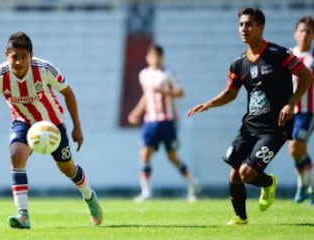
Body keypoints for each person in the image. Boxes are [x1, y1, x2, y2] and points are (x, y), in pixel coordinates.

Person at [187, 8, 312, 225]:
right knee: (234, 174)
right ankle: (240, 218)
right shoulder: (239, 63)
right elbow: (230, 93)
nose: (244, 29)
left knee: (246, 172)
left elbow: (306, 74)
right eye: (241, 24)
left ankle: (268, 183)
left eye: (249, 24)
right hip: (250, 126)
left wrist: (291, 104)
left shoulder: (278, 54)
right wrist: (209, 104)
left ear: (261, 27)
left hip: (275, 127)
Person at [0, 32, 103, 229]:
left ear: (31, 56)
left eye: (24, 57)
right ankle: (23, 214)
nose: (19, 62)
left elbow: (68, 93)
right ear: (7, 55)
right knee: (16, 154)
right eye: (15, 57)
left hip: (52, 124)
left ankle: (90, 197)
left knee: (68, 169)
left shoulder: (44, 69)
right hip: (23, 122)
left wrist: (77, 128)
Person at [128, 44, 198, 203]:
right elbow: (146, 96)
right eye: (152, 56)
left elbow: (180, 92)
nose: (155, 59)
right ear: (148, 58)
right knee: (145, 153)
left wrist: (164, 91)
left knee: (172, 156)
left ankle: (191, 185)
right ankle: (146, 192)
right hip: (150, 120)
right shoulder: (144, 74)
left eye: (158, 56)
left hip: (168, 119)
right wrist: (137, 112)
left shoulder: (169, 73)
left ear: (162, 57)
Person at [288, 15, 314, 204]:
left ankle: (303, 184)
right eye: (301, 31)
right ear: (295, 34)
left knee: (295, 147)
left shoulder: (313, 57)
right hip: (290, 111)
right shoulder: (288, 55)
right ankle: (308, 185)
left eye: (308, 31)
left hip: (308, 110)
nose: (304, 34)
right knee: (299, 151)